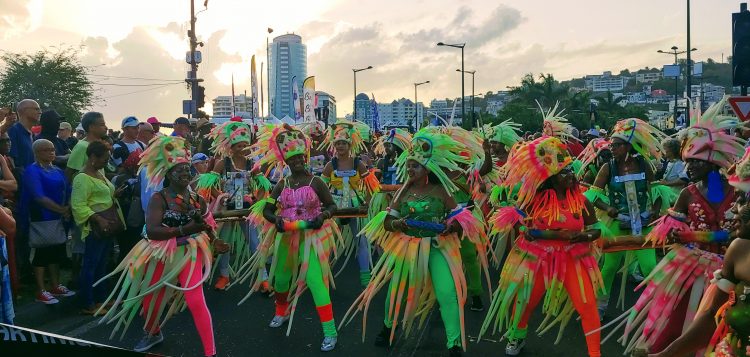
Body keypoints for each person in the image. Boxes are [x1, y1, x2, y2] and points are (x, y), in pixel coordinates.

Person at [608, 99, 746, 354]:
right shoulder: (688, 193)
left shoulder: (737, 194)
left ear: (713, 161)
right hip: (690, 269)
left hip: (729, 271)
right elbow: (670, 232)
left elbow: (738, 233)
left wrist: (695, 234)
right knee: (677, 322)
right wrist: (670, 233)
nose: (688, 167)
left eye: (695, 161)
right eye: (687, 161)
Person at [342, 127, 489, 357]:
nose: (410, 169)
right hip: (408, 248)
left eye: (415, 165)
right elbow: (388, 222)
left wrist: (453, 226)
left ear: (426, 168)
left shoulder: (441, 191)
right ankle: (388, 327)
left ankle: (454, 343)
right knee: (397, 291)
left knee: (448, 292)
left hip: (437, 247)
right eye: (409, 164)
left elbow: (459, 217)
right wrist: (398, 225)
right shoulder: (403, 192)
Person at [95, 136, 223, 357]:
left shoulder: (197, 199)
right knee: (152, 301)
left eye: (187, 169)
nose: (185, 173)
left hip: (190, 254)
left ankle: (211, 352)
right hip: (161, 254)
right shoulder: (159, 199)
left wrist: (215, 240)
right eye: (179, 170)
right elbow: (153, 230)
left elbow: (207, 224)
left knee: (195, 300)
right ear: (168, 174)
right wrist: (185, 230)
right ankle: (153, 333)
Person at [479, 136, 603, 357]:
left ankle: (595, 353)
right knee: (525, 302)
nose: (571, 176)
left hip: (572, 258)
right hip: (539, 258)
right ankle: (516, 336)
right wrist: (557, 234)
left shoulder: (582, 201)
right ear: (551, 178)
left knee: (587, 305)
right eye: (564, 172)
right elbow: (526, 231)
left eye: (570, 170)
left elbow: (596, 229)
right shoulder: (534, 200)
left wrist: (585, 235)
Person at [238, 123, 342, 352]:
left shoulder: (317, 182)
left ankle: (330, 332)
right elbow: (267, 209)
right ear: (285, 161)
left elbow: (332, 205)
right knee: (282, 279)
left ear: (304, 158)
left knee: (315, 281)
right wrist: (275, 220)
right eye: (291, 160)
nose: (295, 162)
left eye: (298, 158)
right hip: (287, 236)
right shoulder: (283, 184)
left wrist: (324, 215)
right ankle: (280, 312)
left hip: (311, 237)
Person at [586, 118, 669, 318]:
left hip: (643, 223)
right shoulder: (608, 167)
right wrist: (608, 208)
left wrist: (654, 213)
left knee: (650, 266)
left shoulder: (643, 165)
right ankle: (601, 305)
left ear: (628, 146)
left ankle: (657, 306)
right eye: (611, 145)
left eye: (616, 145)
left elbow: (658, 191)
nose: (612, 148)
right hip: (618, 222)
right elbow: (592, 195)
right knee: (609, 267)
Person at [208, 121, 269, 290]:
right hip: (226, 211)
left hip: (246, 210)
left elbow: (264, 185)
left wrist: (258, 201)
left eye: (245, 145)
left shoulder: (252, 165)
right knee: (225, 243)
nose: (242, 149)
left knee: (255, 243)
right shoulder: (223, 163)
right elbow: (208, 185)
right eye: (238, 146)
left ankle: (263, 278)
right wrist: (221, 197)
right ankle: (224, 276)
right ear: (231, 147)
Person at [320, 119, 379, 288]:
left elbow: (371, 185)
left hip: (354, 204)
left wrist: (366, 203)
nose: (340, 147)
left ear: (349, 145)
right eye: (337, 143)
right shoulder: (330, 165)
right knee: (328, 242)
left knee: (361, 241)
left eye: (343, 144)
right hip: (335, 205)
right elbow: (321, 186)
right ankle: (324, 277)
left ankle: (365, 278)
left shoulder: (358, 163)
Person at [71, 141, 124, 315]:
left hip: (108, 226)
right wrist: (98, 219)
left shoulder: (99, 173)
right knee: (91, 265)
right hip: (96, 228)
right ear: (93, 157)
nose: (106, 163)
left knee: (101, 264)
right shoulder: (82, 178)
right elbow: (78, 205)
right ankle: (88, 303)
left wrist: (115, 193)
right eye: (104, 159)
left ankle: (101, 298)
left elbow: (103, 195)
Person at [23, 139, 75, 304]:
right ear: (37, 153)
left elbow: (68, 189)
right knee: (42, 253)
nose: (51, 152)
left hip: (59, 217)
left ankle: (55, 285)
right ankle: (40, 290)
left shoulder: (57, 170)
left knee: (56, 251)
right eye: (46, 150)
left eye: (52, 149)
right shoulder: (32, 170)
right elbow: (38, 197)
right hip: (41, 216)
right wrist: (62, 210)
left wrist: (67, 208)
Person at [111, 150, 142, 262]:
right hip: (134, 219)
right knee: (131, 247)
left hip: (120, 216)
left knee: (123, 247)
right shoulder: (141, 181)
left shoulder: (117, 178)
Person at [66, 111, 108, 181]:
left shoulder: (99, 145)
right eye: (102, 125)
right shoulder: (82, 146)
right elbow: (70, 172)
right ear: (91, 127)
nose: (106, 128)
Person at [8, 99, 41, 170]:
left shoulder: (33, 135)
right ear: (24, 111)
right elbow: (10, 159)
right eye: (36, 109)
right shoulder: (13, 130)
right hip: (21, 179)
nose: (40, 112)